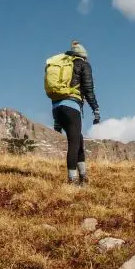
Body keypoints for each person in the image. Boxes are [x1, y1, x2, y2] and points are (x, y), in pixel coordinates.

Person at [47, 41, 100, 185]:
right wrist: (96, 109)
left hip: (57, 108)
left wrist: (57, 121)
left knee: (79, 140)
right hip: (71, 108)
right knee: (74, 143)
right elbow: (88, 89)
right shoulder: (83, 64)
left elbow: (58, 92)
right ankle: (72, 181)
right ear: (84, 56)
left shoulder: (63, 64)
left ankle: (83, 177)